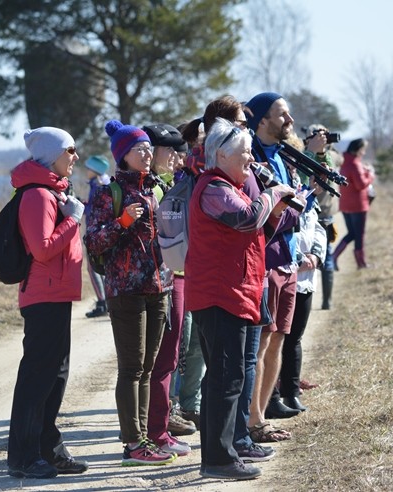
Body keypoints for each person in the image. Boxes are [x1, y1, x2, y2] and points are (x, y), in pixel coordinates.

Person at [185, 117, 295, 480]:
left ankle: (225, 451)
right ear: (221, 155)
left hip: (233, 293)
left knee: (227, 376)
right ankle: (218, 459)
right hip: (220, 296)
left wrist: (276, 212)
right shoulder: (214, 187)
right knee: (224, 379)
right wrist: (273, 194)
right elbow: (247, 218)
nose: (250, 160)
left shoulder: (228, 186)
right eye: (245, 154)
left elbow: (254, 229)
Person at [84, 120, 175, 466]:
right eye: (140, 149)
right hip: (126, 290)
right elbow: (93, 240)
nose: (148, 153)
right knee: (132, 368)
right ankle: (132, 444)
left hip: (159, 287)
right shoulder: (109, 192)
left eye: (149, 149)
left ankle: (148, 439)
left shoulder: (156, 188)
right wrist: (122, 222)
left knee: (149, 368)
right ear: (123, 156)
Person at [7, 127, 89, 479]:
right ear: (52, 154)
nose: (75, 156)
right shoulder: (38, 196)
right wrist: (73, 219)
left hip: (56, 294)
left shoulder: (54, 191)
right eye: (70, 150)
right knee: (38, 378)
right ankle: (24, 457)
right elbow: (42, 249)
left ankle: (48, 449)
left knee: (55, 377)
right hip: (42, 297)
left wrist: (69, 213)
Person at [244, 92, 305, 440]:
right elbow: (268, 213)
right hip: (265, 263)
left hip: (288, 261)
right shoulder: (251, 158)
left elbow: (291, 208)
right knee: (262, 344)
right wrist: (292, 209)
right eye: (282, 115)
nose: (290, 121)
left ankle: (261, 418)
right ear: (262, 120)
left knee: (279, 339)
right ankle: (252, 420)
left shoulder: (283, 157)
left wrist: (292, 207)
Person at [141, 123, 196, 454]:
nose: (178, 158)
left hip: (174, 277)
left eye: (181, 152)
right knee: (160, 360)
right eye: (171, 151)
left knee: (169, 357)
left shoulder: (165, 185)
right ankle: (154, 434)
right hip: (161, 281)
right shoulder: (153, 189)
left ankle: (158, 429)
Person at [271, 134, 327, 413]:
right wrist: (297, 257)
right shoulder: (279, 188)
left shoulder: (305, 191)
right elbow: (276, 230)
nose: (292, 168)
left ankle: (291, 391)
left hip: (305, 276)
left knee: (294, 338)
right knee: (276, 335)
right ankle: (271, 396)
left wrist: (316, 255)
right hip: (286, 268)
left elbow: (318, 227)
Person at [303, 124, 342, 310]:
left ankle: (323, 300)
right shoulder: (303, 156)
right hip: (320, 213)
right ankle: (327, 301)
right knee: (324, 257)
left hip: (320, 213)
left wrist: (322, 148)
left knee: (318, 257)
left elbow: (335, 162)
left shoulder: (324, 156)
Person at [333, 138, 375, 270]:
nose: (363, 153)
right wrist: (370, 174)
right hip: (358, 205)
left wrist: (364, 169)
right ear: (357, 149)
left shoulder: (344, 161)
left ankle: (333, 256)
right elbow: (361, 184)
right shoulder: (355, 164)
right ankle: (361, 263)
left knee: (351, 233)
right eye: (363, 150)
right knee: (359, 235)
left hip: (346, 204)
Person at [83, 155, 111, 318]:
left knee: (92, 268)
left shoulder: (97, 185)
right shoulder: (104, 181)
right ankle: (105, 301)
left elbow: (95, 210)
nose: (86, 171)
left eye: (88, 168)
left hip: (95, 233)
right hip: (103, 232)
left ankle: (102, 303)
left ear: (95, 170)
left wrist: (79, 207)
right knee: (100, 268)